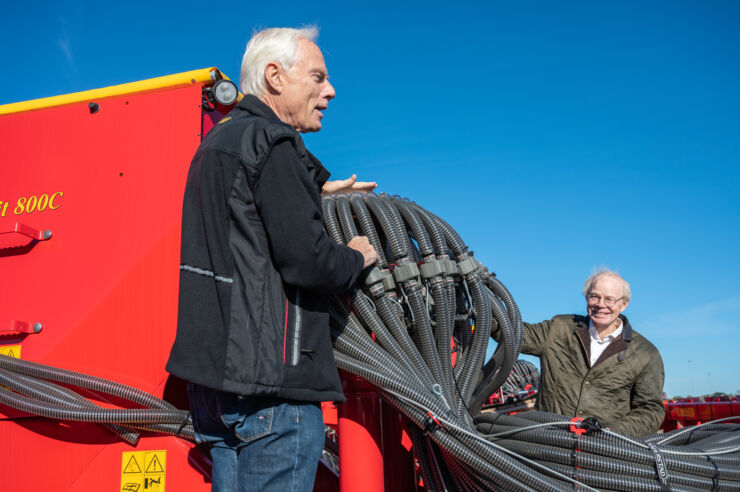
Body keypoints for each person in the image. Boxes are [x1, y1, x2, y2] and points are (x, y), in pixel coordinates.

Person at [166, 26, 378, 492]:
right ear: (275, 77)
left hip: (217, 388)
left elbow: (248, 224)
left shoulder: (215, 146)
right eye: (318, 77)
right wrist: (356, 257)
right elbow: (311, 262)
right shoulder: (274, 143)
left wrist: (316, 190)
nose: (331, 90)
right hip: (273, 390)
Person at [493, 269, 665, 437]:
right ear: (586, 297)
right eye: (595, 296)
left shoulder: (645, 354)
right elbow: (512, 333)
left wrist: (612, 432)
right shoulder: (558, 329)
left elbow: (650, 411)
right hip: (548, 443)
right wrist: (478, 295)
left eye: (609, 299)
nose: (600, 304)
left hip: (604, 453)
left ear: (624, 304)